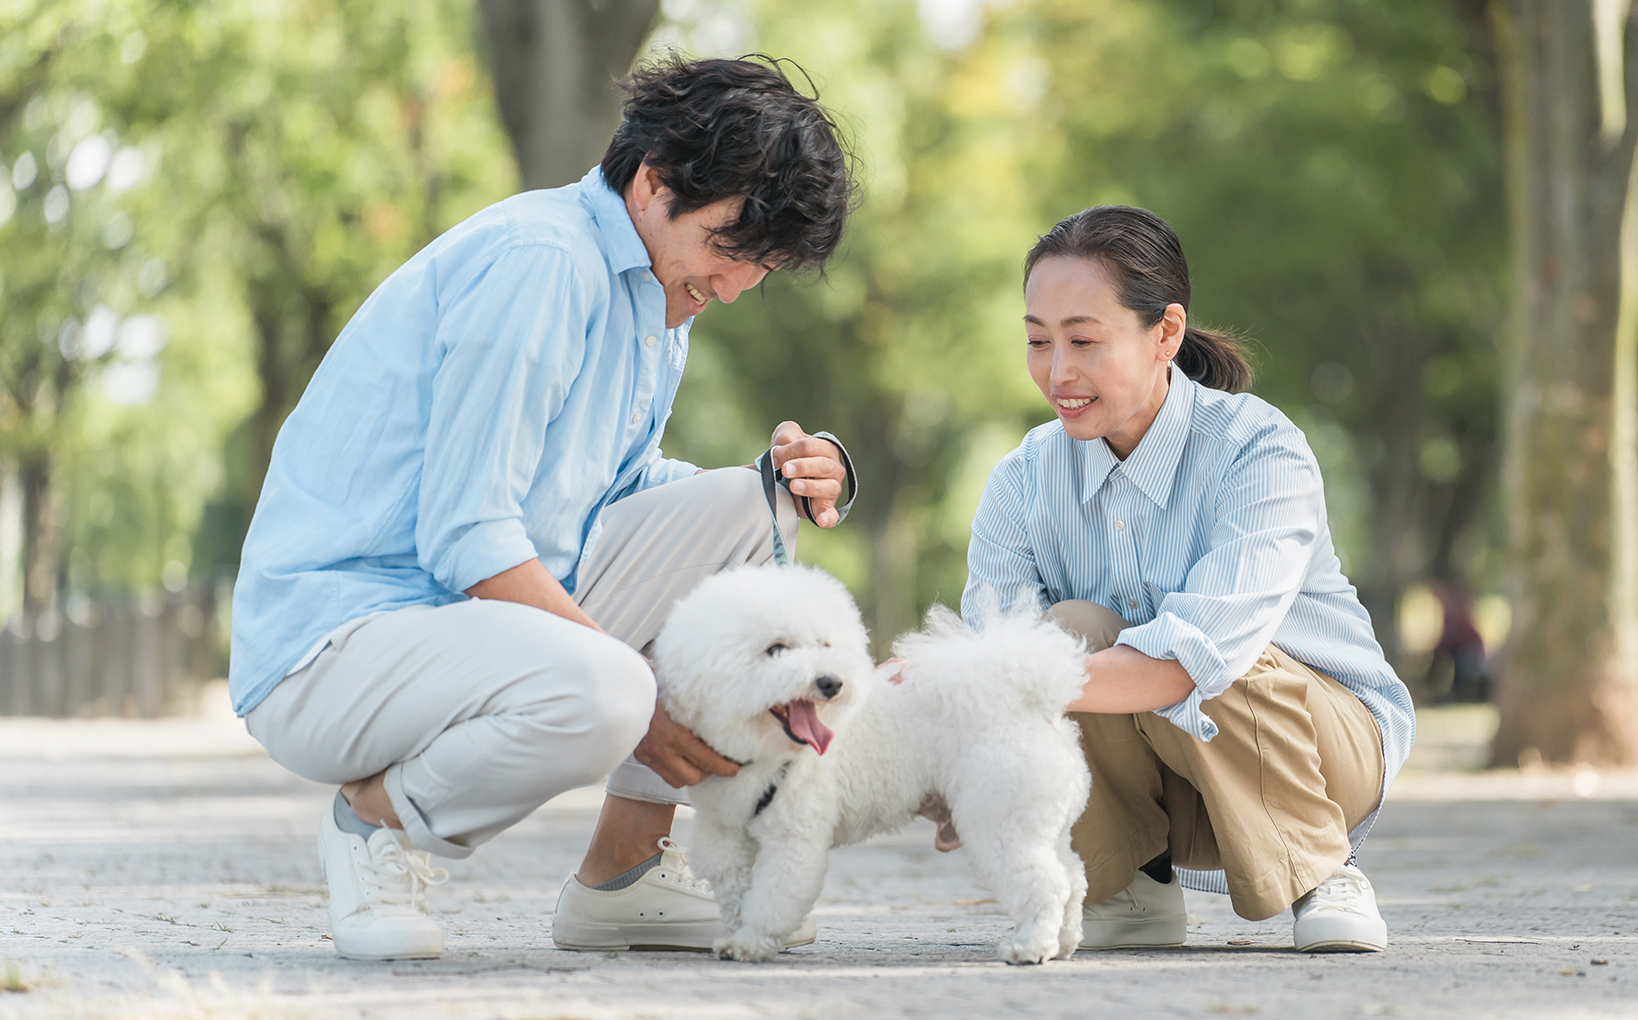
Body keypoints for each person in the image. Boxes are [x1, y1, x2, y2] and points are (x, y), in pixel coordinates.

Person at [229, 55, 859, 961]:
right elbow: (468, 534)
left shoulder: (655, 292)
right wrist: (641, 702)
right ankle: (373, 826)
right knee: (609, 691)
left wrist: (796, 475)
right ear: (653, 183)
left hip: (457, 622)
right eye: (729, 247)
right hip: (336, 645)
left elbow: (605, 489)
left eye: (760, 264)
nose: (734, 286)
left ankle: (624, 872)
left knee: (746, 508)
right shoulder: (544, 265)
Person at [963, 206, 1414, 954]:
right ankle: (1126, 881)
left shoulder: (1257, 450)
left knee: (1214, 653)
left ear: (1166, 333)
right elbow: (994, 655)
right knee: (1064, 630)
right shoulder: (1021, 479)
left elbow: (1188, 658)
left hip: (1319, 758)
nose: (1058, 372)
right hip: (1169, 784)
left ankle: (1322, 871)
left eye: (1083, 340)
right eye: (1038, 341)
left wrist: (987, 682)